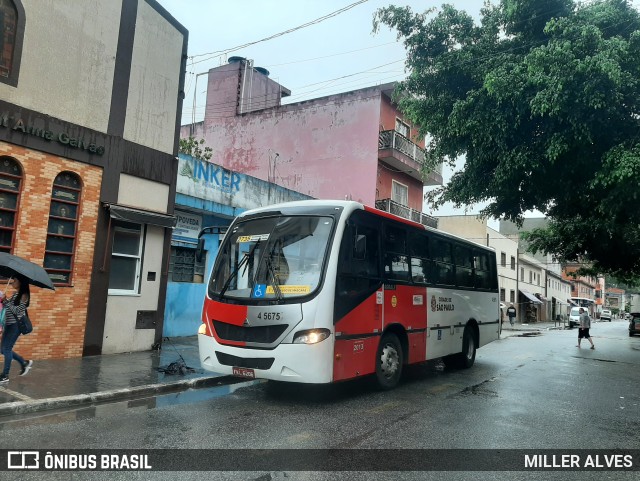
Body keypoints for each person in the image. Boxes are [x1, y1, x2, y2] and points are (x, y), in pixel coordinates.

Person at [0, 275, 33, 384]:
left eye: (15, 281)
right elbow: (8, 307)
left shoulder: (24, 295)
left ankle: (5, 375)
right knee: (2, 349)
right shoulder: (16, 294)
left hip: (15, 326)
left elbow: (17, 311)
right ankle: (23, 363)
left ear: (21, 283)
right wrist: (3, 300)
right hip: (9, 325)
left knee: (7, 349)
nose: (12, 282)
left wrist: (6, 301)